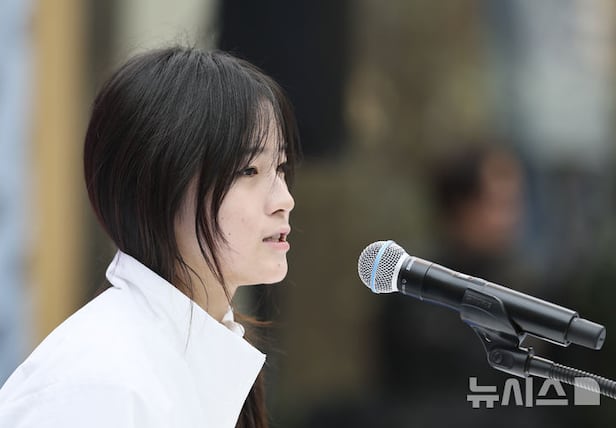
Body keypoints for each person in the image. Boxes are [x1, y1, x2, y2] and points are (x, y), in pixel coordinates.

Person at [0, 46, 300, 428]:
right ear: (162, 184)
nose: (284, 200)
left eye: (280, 167)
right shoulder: (101, 382)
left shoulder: (198, 355)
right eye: (248, 170)